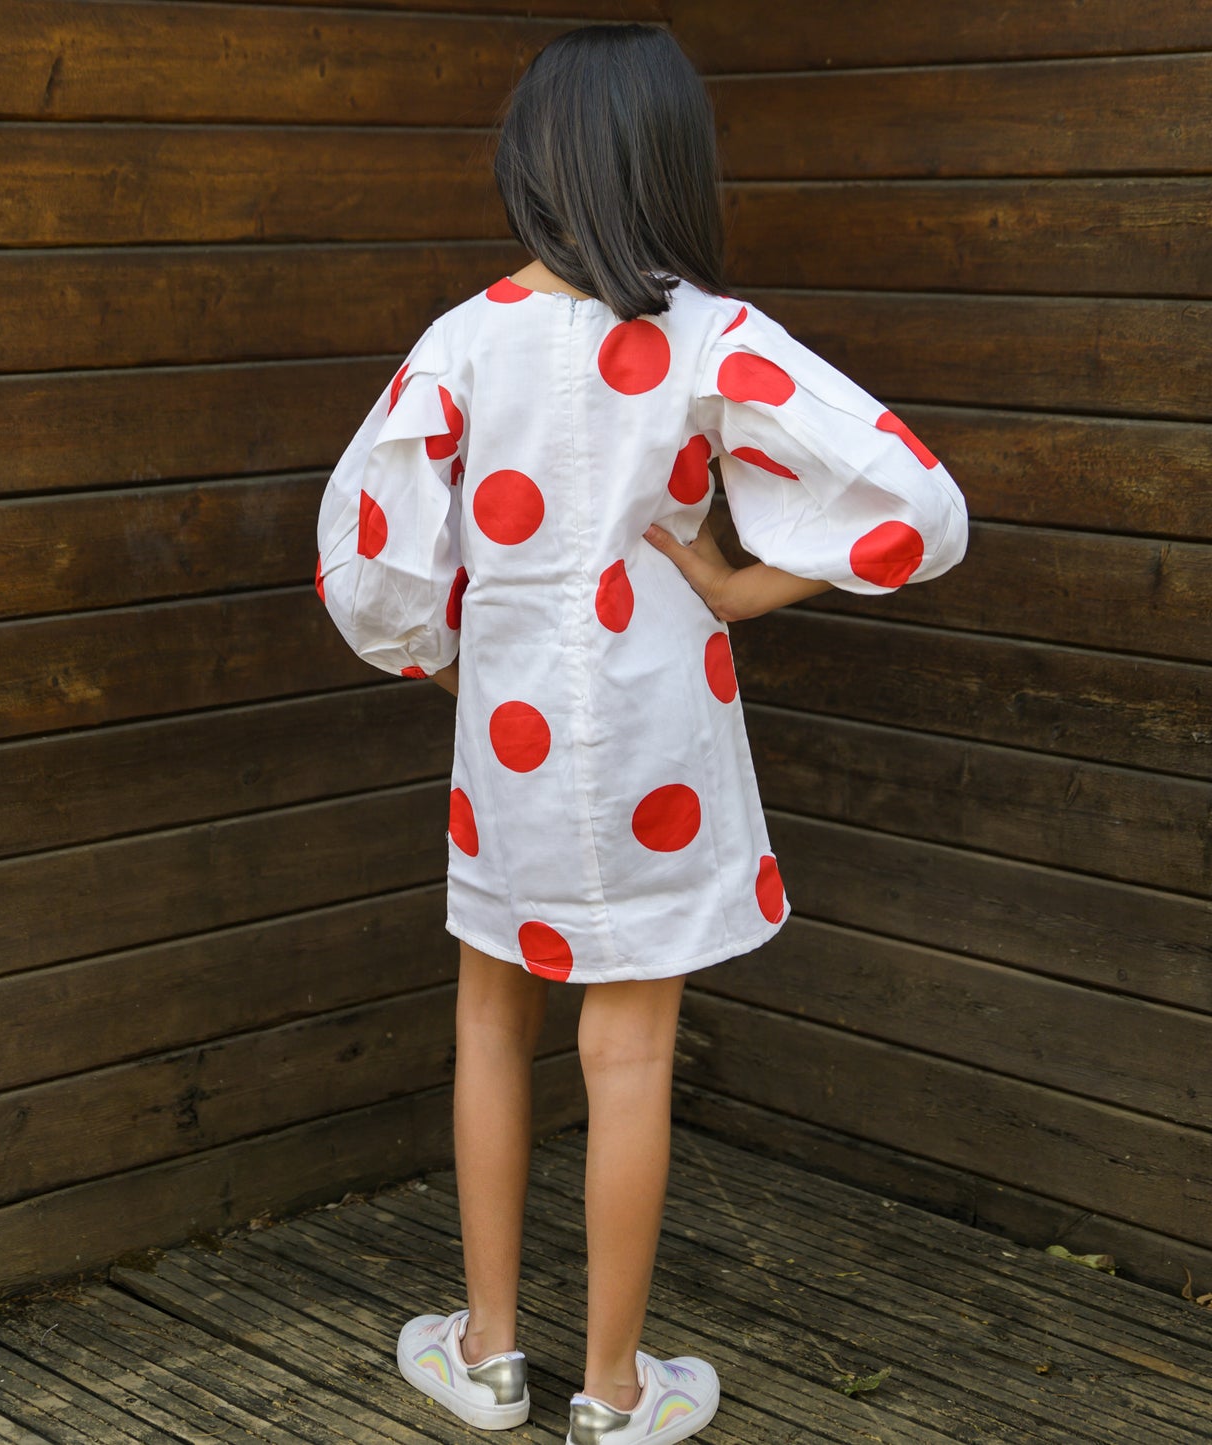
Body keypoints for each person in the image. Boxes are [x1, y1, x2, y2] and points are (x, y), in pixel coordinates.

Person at [315, 23, 967, 1445]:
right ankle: (612, 1394)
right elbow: (917, 505)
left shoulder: (461, 340)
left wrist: (448, 661)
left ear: (527, 166)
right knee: (630, 1055)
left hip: (513, 736)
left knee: (491, 1015)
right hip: (663, 724)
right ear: (671, 163)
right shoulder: (715, 336)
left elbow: (366, 569)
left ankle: (485, 1356)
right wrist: (736, 583)